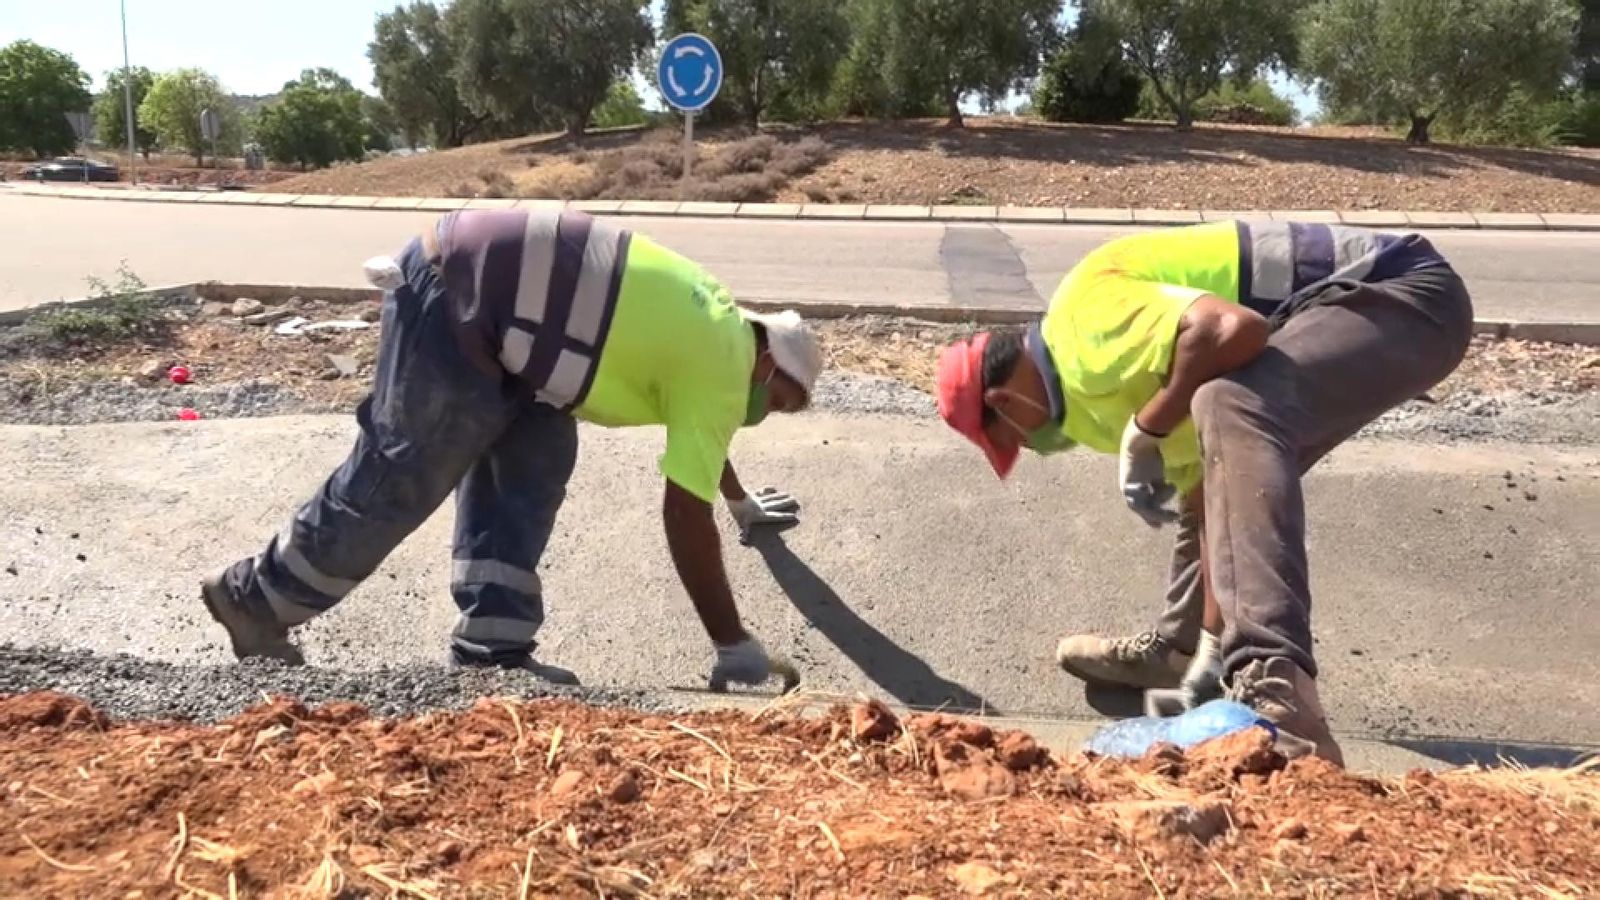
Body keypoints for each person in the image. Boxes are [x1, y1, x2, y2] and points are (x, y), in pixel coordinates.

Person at [201, 208, 821, 691]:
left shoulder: (718, 334)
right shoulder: (723, 369)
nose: (766, 415)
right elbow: (685, 512)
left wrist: (741, 505)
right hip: (462, 294)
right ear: (769, 359)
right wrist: (730, 642)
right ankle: (253, 599)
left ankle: (490, 650)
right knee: (406, 471)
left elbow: (707, 448)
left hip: (514, 328)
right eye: (780, 402)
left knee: (536, 455)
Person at [934, 219, 1473, 763]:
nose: (1028, 447)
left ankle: (1279, 695)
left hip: (1403, 293)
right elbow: (1210, 503)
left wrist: (1149, 427)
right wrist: (1208, 654)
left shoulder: (1085, 326)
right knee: (1215, 468)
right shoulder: (1086, 390)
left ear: (1004, 402)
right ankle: (1183, 652)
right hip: (1377, 310)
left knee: (1232, 403)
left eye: (1011, 441)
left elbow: (1228, 330)